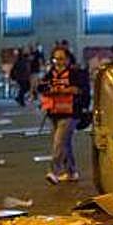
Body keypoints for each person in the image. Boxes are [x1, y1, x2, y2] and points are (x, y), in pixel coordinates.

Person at [38, 45, 89, 184]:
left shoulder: (75, 73)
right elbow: (41, 87)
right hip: (55, 113)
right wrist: (48, 89)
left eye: (61, 58)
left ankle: (53, 171)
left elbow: (82, 90)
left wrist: (72, 90)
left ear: (67, 59)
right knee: (65, 144)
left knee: (59, 142)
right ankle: (71, 172)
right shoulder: (51, 73)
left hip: (71, 113)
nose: (58, 62)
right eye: (55, 59)